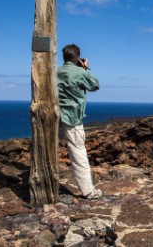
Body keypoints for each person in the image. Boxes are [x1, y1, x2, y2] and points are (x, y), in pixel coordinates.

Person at [57, 44, 102, 199]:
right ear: (77, 57)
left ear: (64, 57)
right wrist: (85, 68)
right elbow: (95, 85)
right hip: (71, 117)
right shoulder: (80, 72)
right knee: (78, 152)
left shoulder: (55, 71)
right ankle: (88, 191)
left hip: (53, 116)